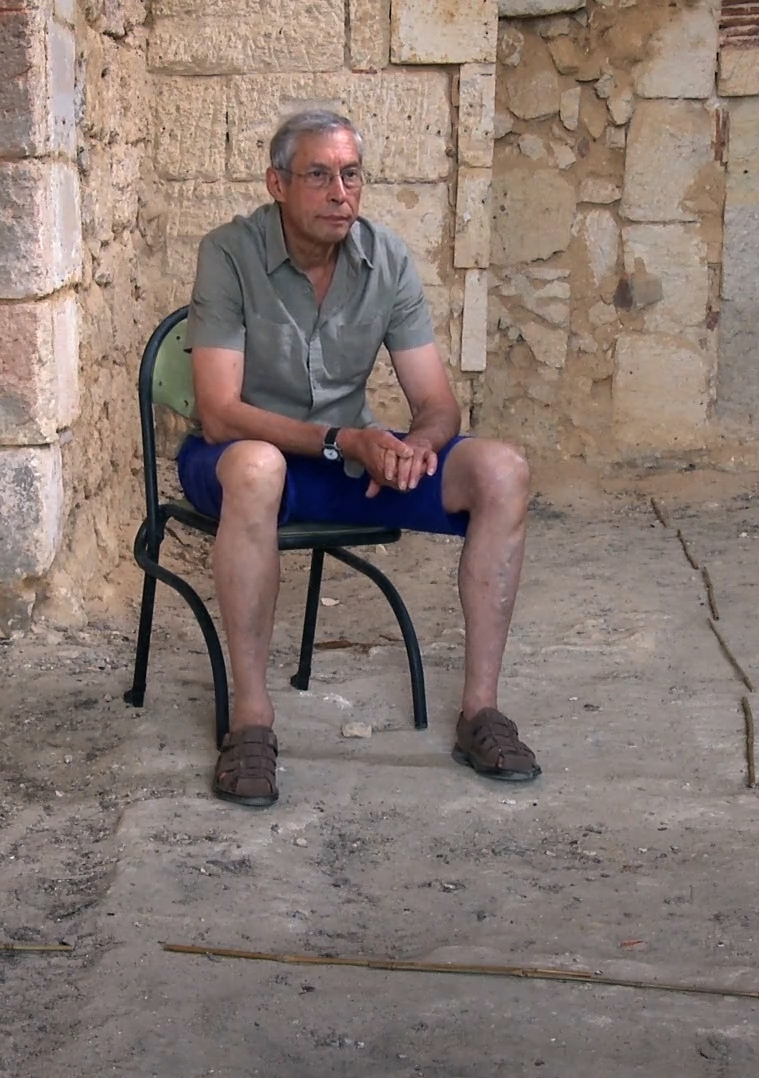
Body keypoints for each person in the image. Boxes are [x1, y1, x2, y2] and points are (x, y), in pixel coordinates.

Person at [181, 109, 538, 807]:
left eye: (351, 175)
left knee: (503, 470)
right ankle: (251, 722)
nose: (340, 193)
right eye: (319, 176)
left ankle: (481, 712)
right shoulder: (229, 252)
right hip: (242, 461)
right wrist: (345, 441)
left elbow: (435, 402)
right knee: (257, 467)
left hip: (348, 464)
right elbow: (219, 412)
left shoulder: (386, 258)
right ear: (277, 184)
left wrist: (417, 447)